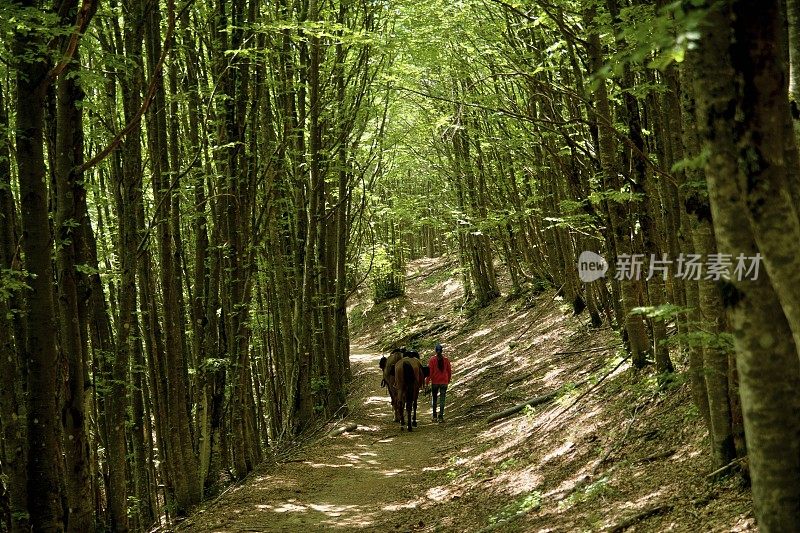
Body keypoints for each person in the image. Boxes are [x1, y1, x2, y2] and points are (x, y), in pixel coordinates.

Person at [426, 343, 452, 423]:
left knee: (434, 399)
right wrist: (448, 380)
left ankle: (434, 416)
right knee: (442, 400)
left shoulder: (432, 360)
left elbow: (430, 372)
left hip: (435, 382)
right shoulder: (446, 360)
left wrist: (427, 382)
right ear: (441, 351)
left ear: (435, 351)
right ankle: (441, 417)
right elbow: (449, 371)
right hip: (444, 382)